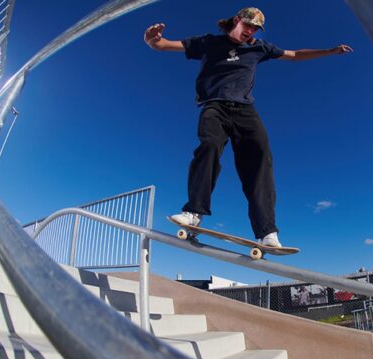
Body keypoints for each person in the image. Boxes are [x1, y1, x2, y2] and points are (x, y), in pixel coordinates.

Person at [145, 7, 353, 247]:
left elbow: (294, 54)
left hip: (245, 110)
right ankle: (194, 212)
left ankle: (266, 231)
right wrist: (153, 40)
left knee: (261, 158)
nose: (251, 32)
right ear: (237, 20)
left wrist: (329, 51)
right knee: (210, 146)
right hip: (215, 106)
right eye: (248, 26)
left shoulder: (259, 48)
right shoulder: (208, 42)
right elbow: (165, 46)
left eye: (255, 29)